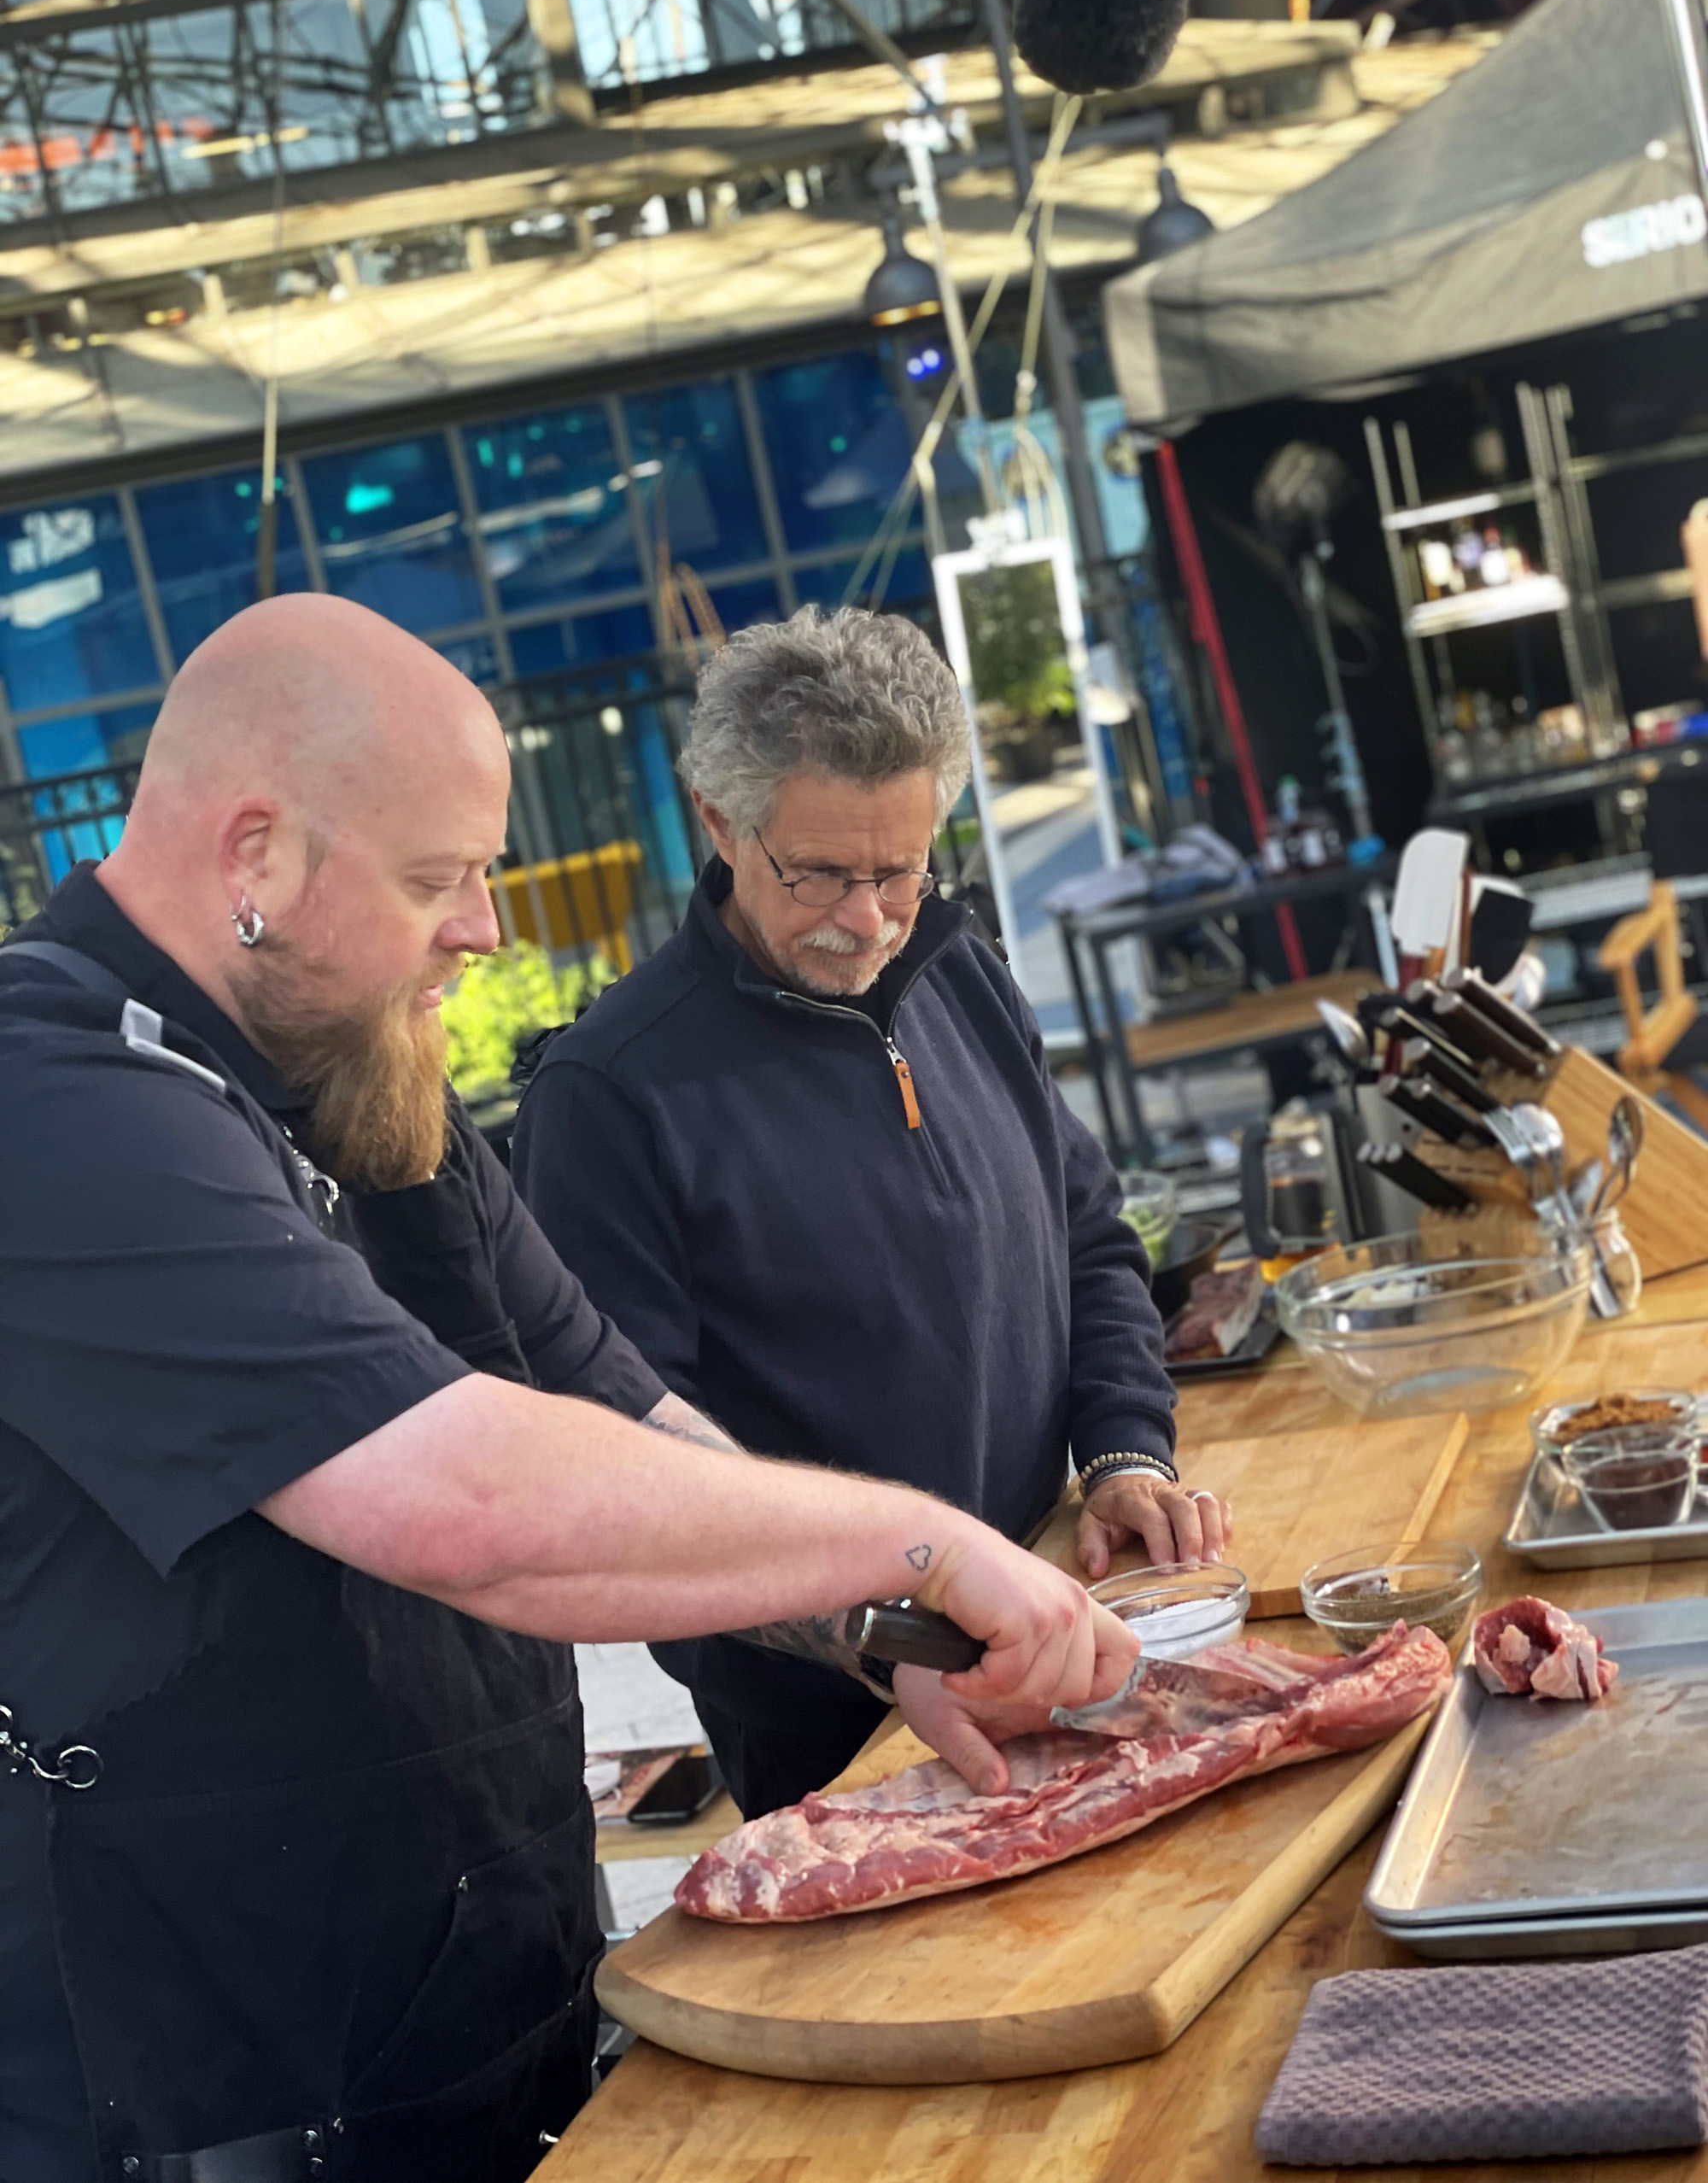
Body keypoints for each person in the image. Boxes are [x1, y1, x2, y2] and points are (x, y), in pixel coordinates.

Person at [0, 594, 1138, 2183]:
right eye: (438, 879)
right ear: (255, 856)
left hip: (478, 1982)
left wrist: (898, 1634)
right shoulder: (55, 1101)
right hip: (213, 2083)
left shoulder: (355, 1066)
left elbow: (623, 1414)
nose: (484, 929)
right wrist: (929, 1545)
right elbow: (461, 1498)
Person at [512, 606, 1228, 1820]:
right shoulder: (605, 1097)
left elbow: (1090, 1237)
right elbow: (635, 1489)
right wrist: (901, 1638)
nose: (870, 919)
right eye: (823, 875)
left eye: (902, 870)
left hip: (1059, 1608)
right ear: (718, 822)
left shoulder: (961, 969)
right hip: (838, 1736)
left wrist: (1122, 1448)